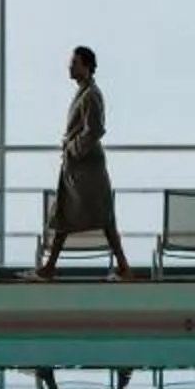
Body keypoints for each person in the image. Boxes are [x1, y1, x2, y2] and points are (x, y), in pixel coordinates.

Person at [35, 44, 135, 280]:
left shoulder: (91, 94)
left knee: (93, 215)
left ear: (87, 67)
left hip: (86, 166)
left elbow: (96, 129)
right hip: (81, 166)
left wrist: (73, 149)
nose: (69, 66)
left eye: (74, 63)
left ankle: (122, 266)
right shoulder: (85, 92)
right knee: (70, 213)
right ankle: (51, 266)